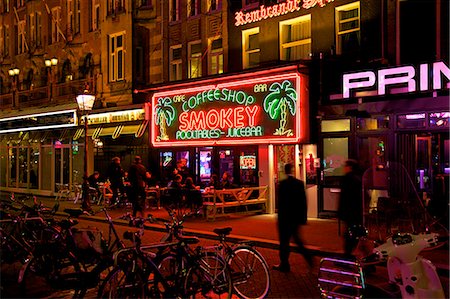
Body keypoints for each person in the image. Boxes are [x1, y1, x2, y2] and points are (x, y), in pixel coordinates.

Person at [273, 163, 313, 273]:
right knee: (297, 240)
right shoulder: (299, 184)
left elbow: (280, 203)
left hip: (285, 218)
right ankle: (308, 257)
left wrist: (279, 218)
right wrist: (303, 218)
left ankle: (284, 264)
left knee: (284, 242)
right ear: (293, 170)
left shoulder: (283, 184)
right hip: (295, 218)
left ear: (285, 171)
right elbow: (303, 201)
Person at [338, 159, 363, 257]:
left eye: (346, 166)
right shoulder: (359, 178)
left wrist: (341, 211)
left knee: (351, 235)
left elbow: (344, 197)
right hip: (357, 211)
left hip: (349, 211)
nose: (344, 168)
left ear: (350, 167)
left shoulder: (347, 178)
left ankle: (347, 256)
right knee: (356, 234)